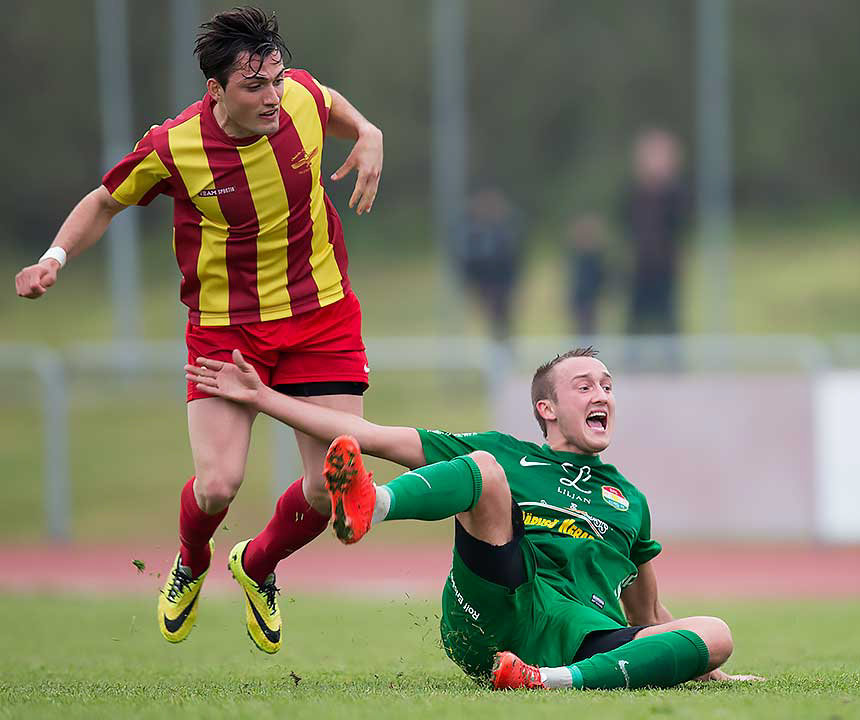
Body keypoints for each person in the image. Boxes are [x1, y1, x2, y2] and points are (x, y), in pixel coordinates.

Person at [13, 7, 384, 654]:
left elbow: (330, 102)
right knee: (218, 484)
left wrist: (369, 131)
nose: (273, 96)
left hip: (321, 314)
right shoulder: (174, 146)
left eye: (276, 78)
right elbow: (104, 201)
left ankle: (259, 564)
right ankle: (193, 559)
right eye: (254, 86)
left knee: (330, 490)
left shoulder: (295, 96)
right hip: (224, 328)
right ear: (215, 90)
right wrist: (53, 260)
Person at [186, 346, 764, 689]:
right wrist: (262, 398)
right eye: (585, 385)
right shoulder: (508, 451)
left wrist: (702, 661)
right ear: (548, 408)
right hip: (491, 614)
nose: (603, 396)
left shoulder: (630, 501)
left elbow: (650, 614)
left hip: (578, 646)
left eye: (609, 387)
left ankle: (547, 685)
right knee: (483, 470)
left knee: (717, 631)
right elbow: (367, 435)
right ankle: (372, 506)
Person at [621, 128, 691, 336]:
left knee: (668, 319)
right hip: (639, 266)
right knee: (634, 321)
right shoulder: (633, 194)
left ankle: (673, 365)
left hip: (665, 266)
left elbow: (680, 228)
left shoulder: (676, 195)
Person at [456, 187, 523, 341]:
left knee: (502, 316)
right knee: (494, 316)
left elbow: (513, 257)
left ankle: (503, 345)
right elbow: (466, 259)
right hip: (483, 281)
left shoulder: (505, 229)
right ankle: (498, 344)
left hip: (502, 281)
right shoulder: (471, 230)